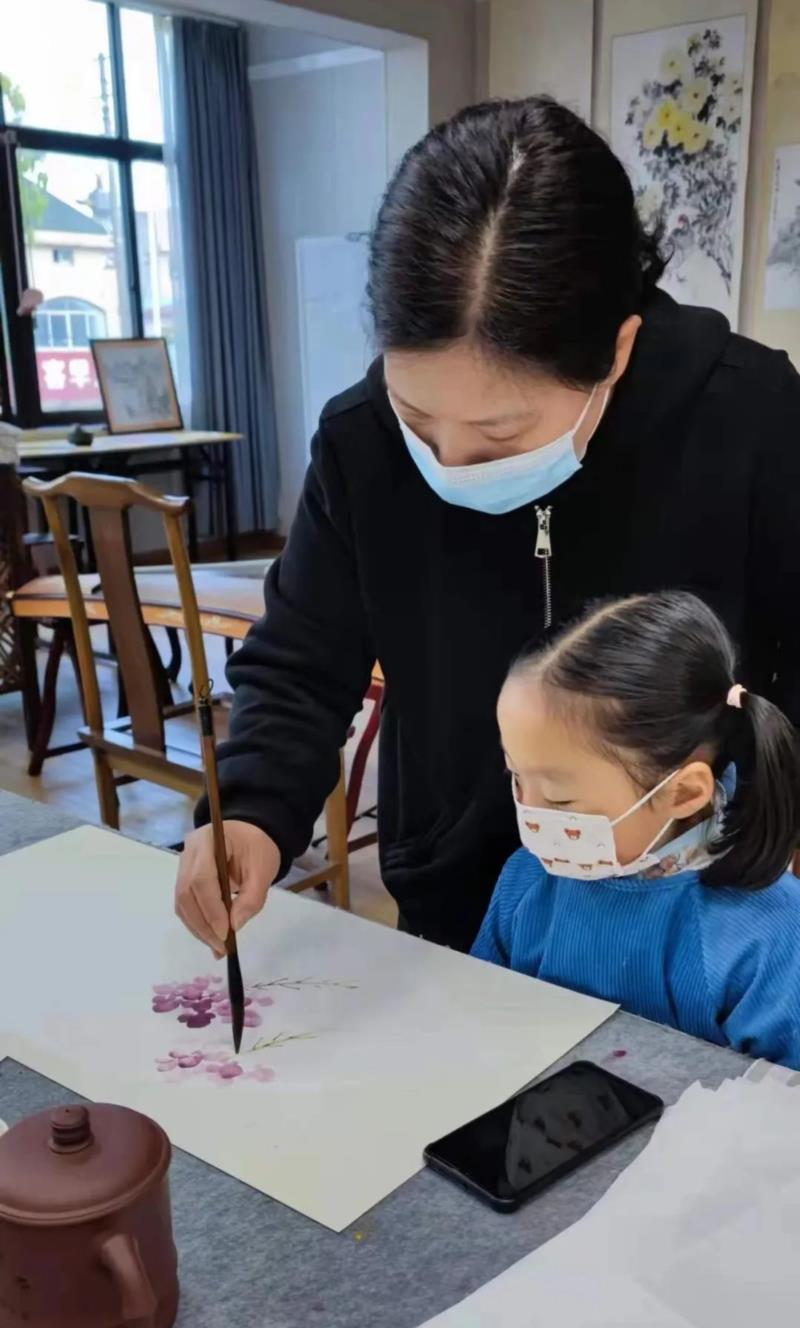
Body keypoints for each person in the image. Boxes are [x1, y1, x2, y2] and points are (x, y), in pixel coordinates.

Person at [176, 96, 800, 957]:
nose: (450, 463)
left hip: (702, 918)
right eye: (417, 419)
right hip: (461, 913)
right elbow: (301, 660)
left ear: (616, 351)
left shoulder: (752, 418)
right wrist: (249, 809)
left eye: (501, 435)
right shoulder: (360, 440)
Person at [473, 591, 800, 1067]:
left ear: (683, 793)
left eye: (561, 799)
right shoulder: (527, 880)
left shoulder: (767, 934)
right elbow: (481, 1019)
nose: (529, 812)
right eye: (515, 776)